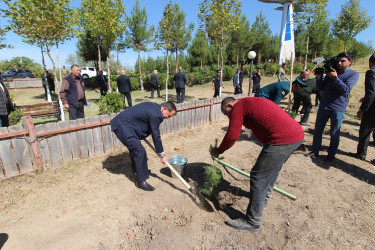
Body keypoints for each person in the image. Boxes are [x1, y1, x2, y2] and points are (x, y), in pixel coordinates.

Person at [210, 97, 304, 232]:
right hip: (296, 135)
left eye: (227, 113)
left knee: (258, 176)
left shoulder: (238, 107)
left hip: (282, 139)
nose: (229, 117)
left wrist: (218, 151)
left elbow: (232, 135)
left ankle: (253, 221)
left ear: (230, 105)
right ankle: (264, 199)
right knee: (271, 170)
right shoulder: (249, 102)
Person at [111, 102, 177, 191]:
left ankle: (138, 170)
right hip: (122, 126)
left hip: (129, 125)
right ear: (164, 109)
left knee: (135, 149)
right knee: (139, 151)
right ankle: (141, 181)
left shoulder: (156, 108)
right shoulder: (156, 114)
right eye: (168, 115)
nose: (168, 118)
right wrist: (162, 154)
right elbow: (156, 135)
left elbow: (148, 124)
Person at [305, 52, 359, 162]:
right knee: (318, 130)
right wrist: (320, 76)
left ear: (350, 62)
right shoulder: (331, 71)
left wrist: (335, 78)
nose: (339, 63)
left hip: (338, 108)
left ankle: (331, 155)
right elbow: (320, 87)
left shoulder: (353, 74)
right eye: (338, 60)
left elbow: (345, 89)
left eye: (343, 61)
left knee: (334, 133)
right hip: (324, 106)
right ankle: (315, 151)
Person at [354, 53, 375, 161]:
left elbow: (371, 93)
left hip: (372, 109)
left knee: (365, 131)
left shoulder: (371, 72)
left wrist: (362, 109)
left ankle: (361, 154)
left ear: (370, 62)